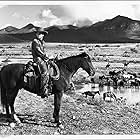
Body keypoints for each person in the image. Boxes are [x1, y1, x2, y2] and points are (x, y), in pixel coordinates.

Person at [31, 27, 50, 98]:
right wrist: (45, 56)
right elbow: (38, 51)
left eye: (41, 34)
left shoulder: (42, 42)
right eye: (38, 33)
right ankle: (42, 90)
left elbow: (43, 51)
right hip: (37, 59)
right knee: (45, 72)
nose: (39, 35)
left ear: (43, 35)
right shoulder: (35, 41)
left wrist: (47, 57)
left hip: (42, 58)